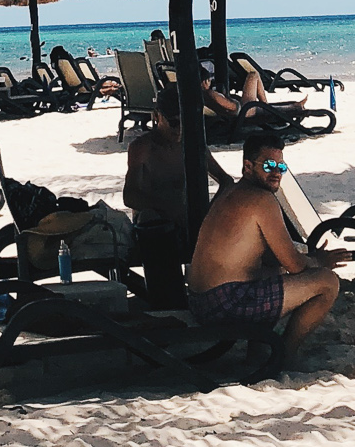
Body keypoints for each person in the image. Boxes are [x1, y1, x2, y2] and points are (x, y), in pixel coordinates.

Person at [187, 128, 343, 372]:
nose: (276, 173)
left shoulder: (231, 191)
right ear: (247, 167)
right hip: (224, 304)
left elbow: (275, 259)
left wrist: (305, 260)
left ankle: (257, 355)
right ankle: (284, 358)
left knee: (273, 270)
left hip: (201, 300)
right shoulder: (262, 199)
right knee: (327, 282)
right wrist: (319, 260)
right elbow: (295, 265)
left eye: (281, 167)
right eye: (269, 165)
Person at [123, 85, 231, 244]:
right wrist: (168, 209)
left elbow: (226, 181)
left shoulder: (193, 144)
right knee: (149, 219)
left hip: (189, 220)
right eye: (174, 123)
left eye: (184, 122)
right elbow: (130, 196)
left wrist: (209, 213)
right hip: (156, 226)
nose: (180, 129)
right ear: (156, 116)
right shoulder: (143, 148)